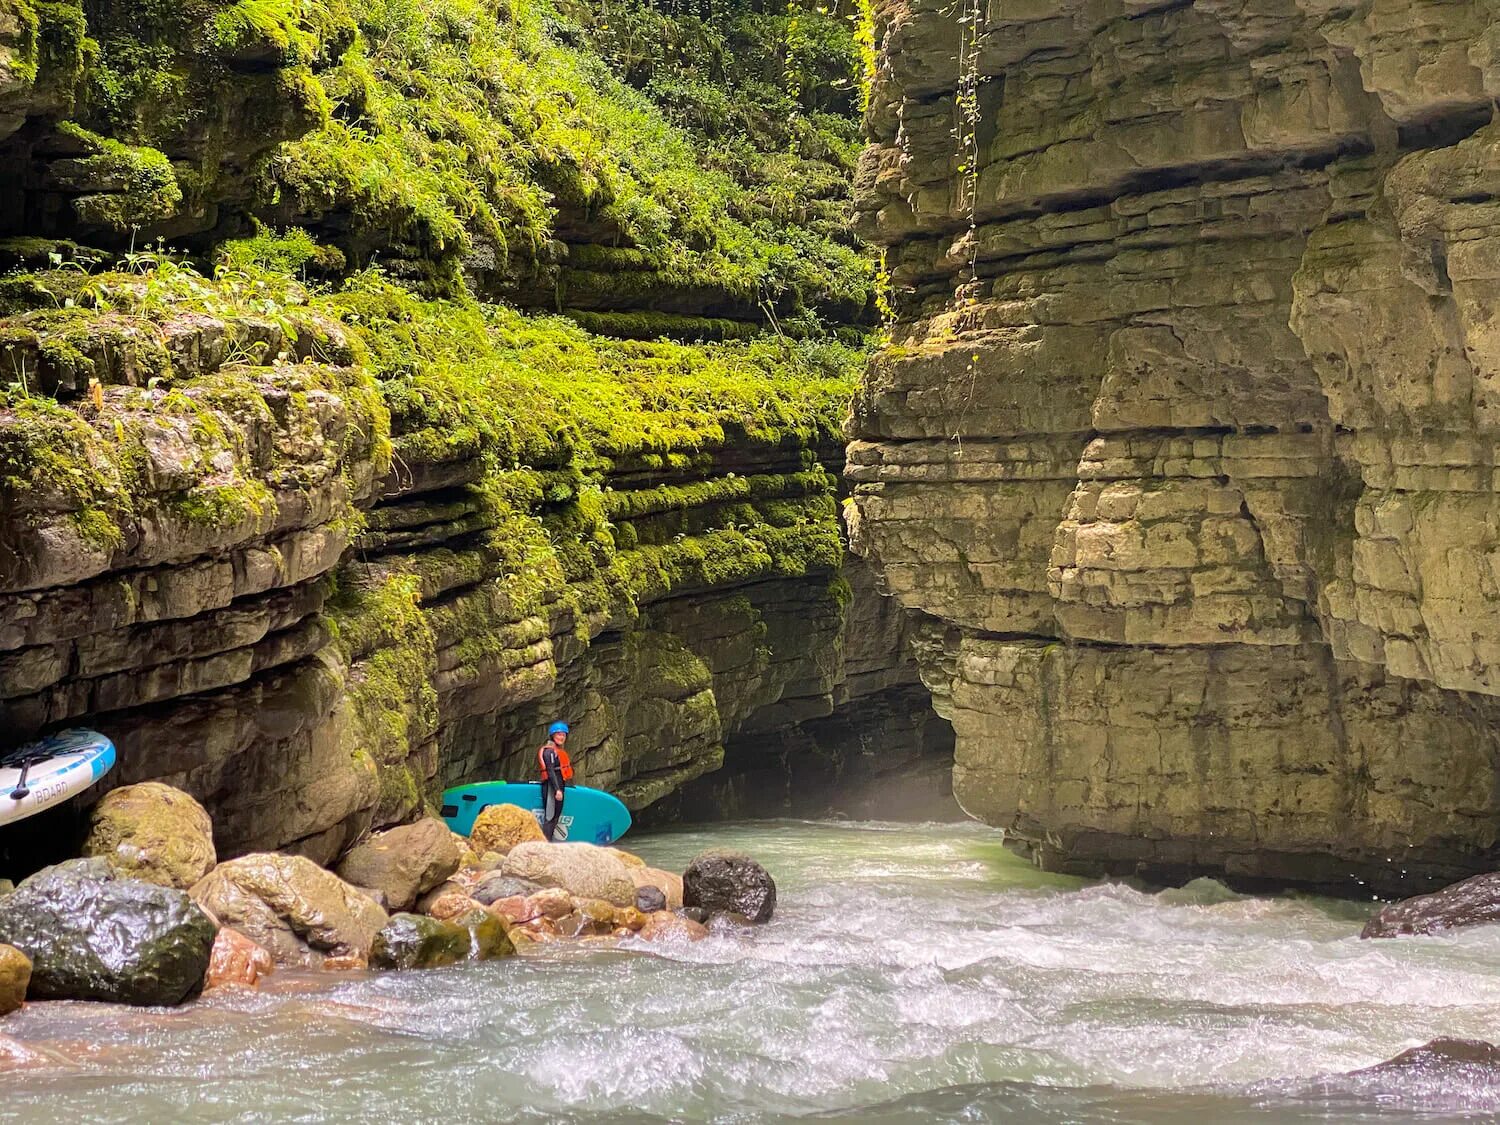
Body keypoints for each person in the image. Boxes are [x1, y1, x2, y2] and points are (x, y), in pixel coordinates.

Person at [537, 721, 573, 841]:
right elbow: (550, 771)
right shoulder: (549, 751)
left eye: (563, 735)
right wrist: (557, 790)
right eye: (559, 734)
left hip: (559, 785)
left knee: (556, 817)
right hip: (551, 787)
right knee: (550, 817)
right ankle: (545, 844)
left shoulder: (558, 751)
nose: (561, 737)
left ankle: (549, 842)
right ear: (552, 735)